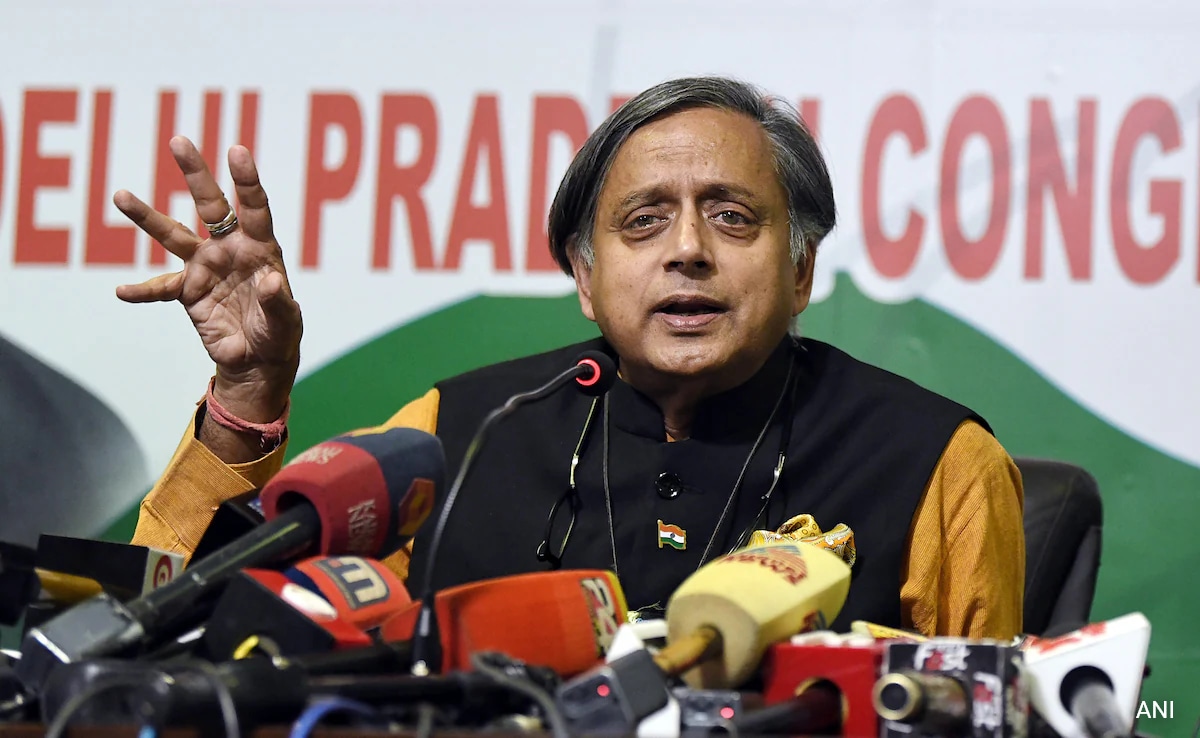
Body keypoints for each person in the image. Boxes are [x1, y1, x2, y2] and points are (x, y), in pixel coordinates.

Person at [117, 77, 1024, 638]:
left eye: (732, 216)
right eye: (644, 221)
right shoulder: (459, 433)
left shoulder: (936, 463)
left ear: (801, 271)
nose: (688, 250)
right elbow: (191, 632)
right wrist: (249, 391)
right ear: (586, 280)